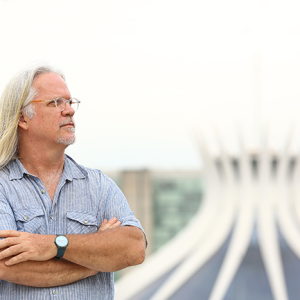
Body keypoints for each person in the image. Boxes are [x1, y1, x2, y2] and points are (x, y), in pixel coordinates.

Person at [0, 65, 146, 299]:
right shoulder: (2, 187)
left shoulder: (99, 185)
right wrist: (96, 262)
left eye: (70, 102)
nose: (69, 111)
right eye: (55, 102)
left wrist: (54, 244)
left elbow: (134, 248)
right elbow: (6, 265)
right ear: (23, 119)